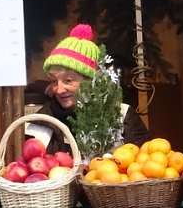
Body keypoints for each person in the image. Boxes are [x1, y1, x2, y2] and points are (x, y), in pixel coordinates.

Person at [37, 23, 150, 152]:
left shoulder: (122, 116)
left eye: (68, 81)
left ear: (91, 81)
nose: (59, 90)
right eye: (54, 81)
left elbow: (143, 163)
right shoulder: (43, 121)